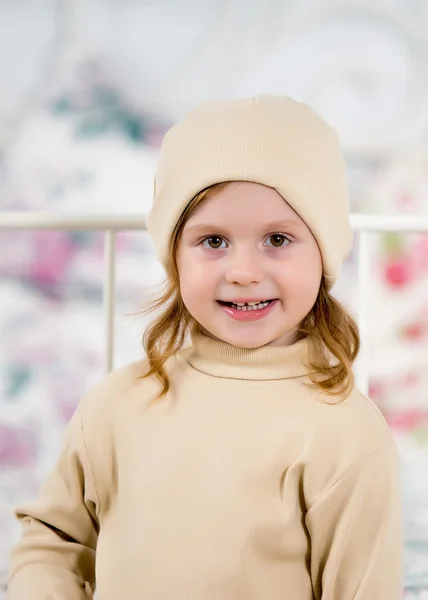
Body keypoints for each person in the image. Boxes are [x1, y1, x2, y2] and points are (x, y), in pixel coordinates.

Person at [7, 95, 402, 599]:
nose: (243, 272)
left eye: (277, 240)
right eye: (213, 241)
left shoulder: (345, 434)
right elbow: (52, 542)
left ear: (323, 252)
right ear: (174, 257)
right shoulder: (116, 405)